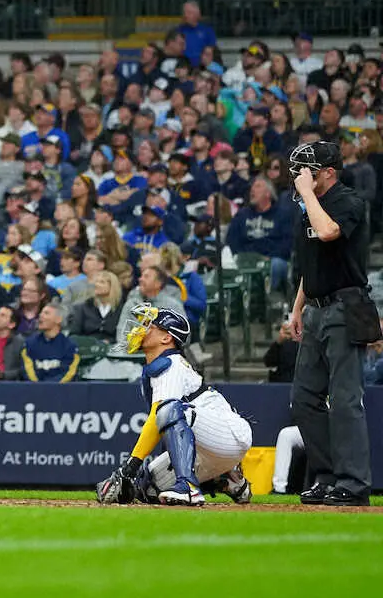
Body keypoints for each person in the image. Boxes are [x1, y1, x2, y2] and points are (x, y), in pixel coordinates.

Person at [287, 140, 376, 506]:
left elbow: (328, 232)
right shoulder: (308, 205)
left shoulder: (349, 201)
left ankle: (354, 484)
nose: (299, 177)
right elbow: (312, 266)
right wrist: (297, 309)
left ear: (328, 172)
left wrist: (309, 195)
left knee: (344, 400)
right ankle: (326, 476)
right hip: (316, 308)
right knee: (303, 398)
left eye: (307, 170)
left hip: (345, 307)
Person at [96, 305, 252, 507]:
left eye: (149, 325)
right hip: (207, 448)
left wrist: (129, 468)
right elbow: (168, 431)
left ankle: (189, 487)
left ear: (166, 338)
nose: (140, 329)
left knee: (167, 410)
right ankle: (227, 480)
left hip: (229, 435)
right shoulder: (157, 367)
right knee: (148, 489)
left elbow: (160, 416)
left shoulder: (172, 363)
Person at [19, 305, 80, 382]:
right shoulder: (29, 344)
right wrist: (40, 387)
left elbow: (69, 373)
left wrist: (50, 387)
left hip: (61, 391)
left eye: (46, 313)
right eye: (41, 313)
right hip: (34, 391)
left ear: (58, 319)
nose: (40, 316)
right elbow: (28, 372)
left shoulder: (70, 346)